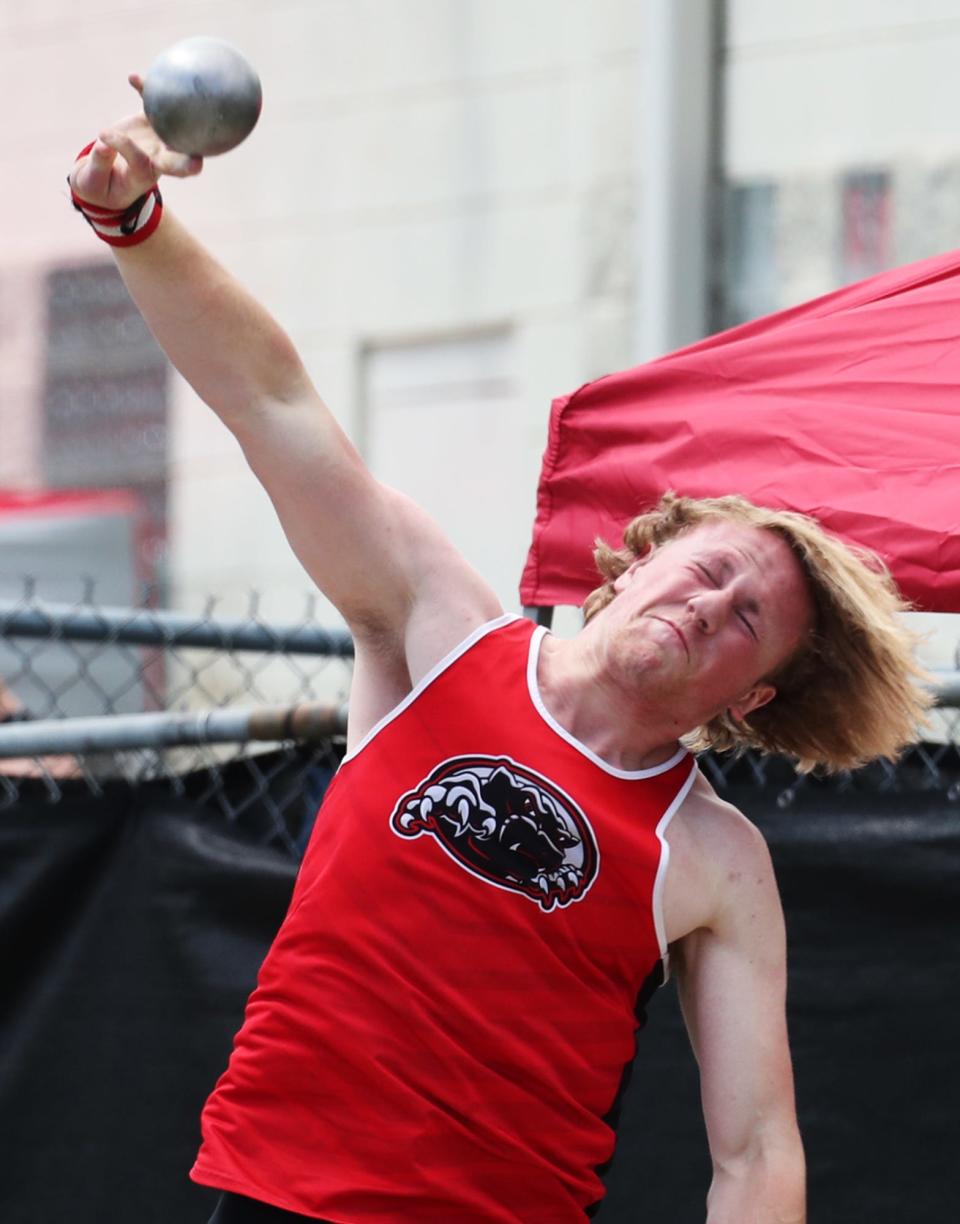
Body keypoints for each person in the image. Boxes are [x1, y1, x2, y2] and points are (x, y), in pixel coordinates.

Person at [67, 83, 931, 1224]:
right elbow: (272, 402)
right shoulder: (439, 631)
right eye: (710, 569)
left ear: (752, 695)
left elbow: (759, 1150)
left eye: (747, 623)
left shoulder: (715, 857)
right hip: (272, 1196)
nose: (712, 607)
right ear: (632, 562)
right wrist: (135, 227)